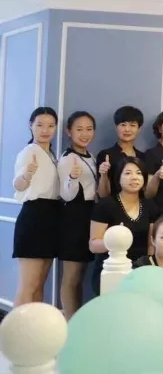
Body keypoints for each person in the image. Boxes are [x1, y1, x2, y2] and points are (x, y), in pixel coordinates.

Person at [12, 107, 61, 307]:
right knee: (28, 286)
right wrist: (27, 175)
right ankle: (16, 326)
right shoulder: (29, 152)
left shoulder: (51, 155)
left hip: (51, 217)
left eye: (51, 125)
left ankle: (34, 325)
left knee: (40, 284)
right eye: (40, 125)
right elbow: (18, 185)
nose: (45, 130)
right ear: (30, 126)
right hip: (34, 217)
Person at [89, 157, 159, 295]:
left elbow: (151, 246)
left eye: (139, 173)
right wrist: (116, 241)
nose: (134, 177)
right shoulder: (106, 205)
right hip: (111, 269)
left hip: (140, 270)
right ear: (118, 178)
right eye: (127, 173)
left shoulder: (150, 206)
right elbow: (93, 245)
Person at [57, 111, 97, 319]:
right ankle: (70, 323)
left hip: (88, 216)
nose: (85, 134)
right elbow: (66, 194)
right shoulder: (67, 158)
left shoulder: (91, 156)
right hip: (73, 218)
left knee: (80, 276)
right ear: (69, 131)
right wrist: (72, 177)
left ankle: (76, 318)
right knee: (71, 277)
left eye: (89, 129)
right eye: (79, 129)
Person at [96, 106, 145, 198]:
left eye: (132, 125)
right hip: (113, 204)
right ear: (116, 127)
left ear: (139, 129)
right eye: (123, 125)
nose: (127, 129)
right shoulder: (105, 155)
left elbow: (146, 191)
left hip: (137, 204)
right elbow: (103, 195)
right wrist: (103, 175)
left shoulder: (143, 157)